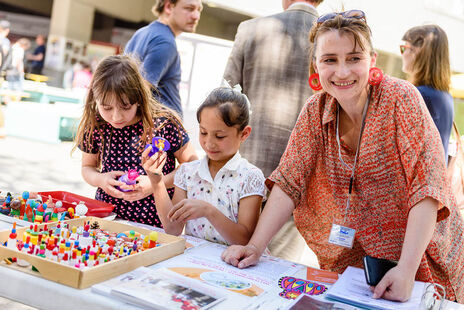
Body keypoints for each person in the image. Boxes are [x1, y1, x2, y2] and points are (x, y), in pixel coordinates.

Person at [222, 10, 464, 303]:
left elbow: (427, 188)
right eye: (330, 60)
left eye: (354, 58)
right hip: (358, 270)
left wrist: (406, 269)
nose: (342, 72)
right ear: (315, 65)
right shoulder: (315, 110)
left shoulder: (401, 99)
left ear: (372, 60)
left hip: (422, 260)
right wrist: (256, 245)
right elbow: (288, 182)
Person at [73, 55, 197, 227]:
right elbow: (87, 168)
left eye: (125, 107)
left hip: (156, 224)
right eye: (106, 107)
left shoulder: (163, 122)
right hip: (109, 219)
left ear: (138, 98)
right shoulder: (96, 124)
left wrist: (155, 183)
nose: (116, 116)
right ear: (95, 99)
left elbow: (191, 165)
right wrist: (100, 179)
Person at [142, 87, 266, 245]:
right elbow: (173, 228)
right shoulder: (188, 172)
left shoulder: (250, 177)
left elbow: (245, 240)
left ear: (244, 134)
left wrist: (208, 211)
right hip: (196, 264)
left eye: (219, 136)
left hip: (236, 266)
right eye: (203, 132)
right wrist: (156, 181)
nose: (209, 143)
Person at [125, 0, 202, 117]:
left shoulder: (141, 33)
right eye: (189, 8)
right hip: (163, 128)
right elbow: (139, 91)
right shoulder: (165, 42)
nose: (196, 16)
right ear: (168, 7)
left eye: (199, 10)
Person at [400, 25, 454, 163]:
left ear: (417, 52)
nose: (402, 54)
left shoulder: (419, 95)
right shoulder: (445, 96)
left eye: (403, 48)